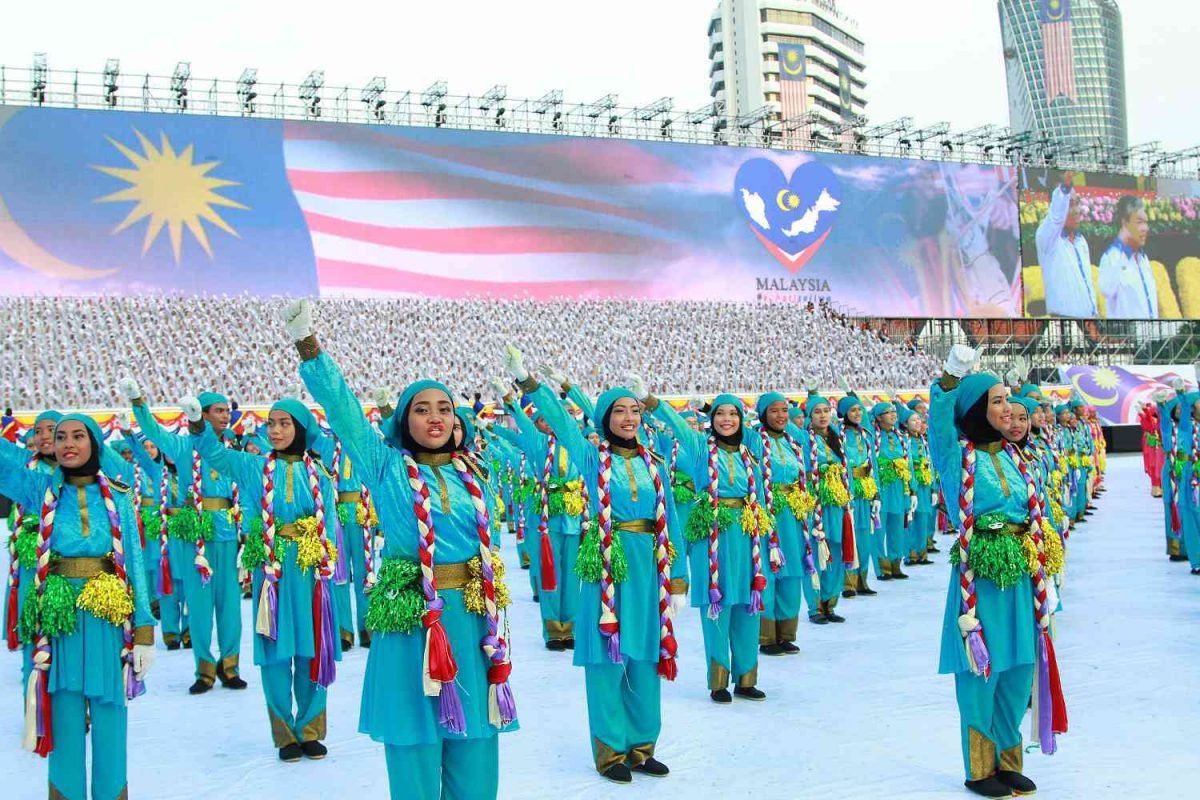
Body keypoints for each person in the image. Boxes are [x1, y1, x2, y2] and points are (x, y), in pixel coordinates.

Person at [286, 299, 517, 800]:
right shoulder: (386, 466)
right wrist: (310, 347)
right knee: (414, 739)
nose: (435, 417)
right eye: (422, 409)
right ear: (404, 420)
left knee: (477, 740)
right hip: (414, 620)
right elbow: (345, 412)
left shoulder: (473, 473)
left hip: (470, 619)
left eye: (444, 408)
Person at [504, 349, 687, 783]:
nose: (628, 418)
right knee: (608, 657)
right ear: (604, 418)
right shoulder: (593, 459)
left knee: (646, 655)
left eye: (634, 410)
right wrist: (528, 382)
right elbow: (563, 423)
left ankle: (642, 746)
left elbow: (671, 523)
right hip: (608, 564)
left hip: (648, 569)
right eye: (619, 411)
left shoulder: (654, 463)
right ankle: (610, 752)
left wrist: (678, 579)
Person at [931, 346, 1065, 799]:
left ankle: (1009, 763)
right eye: (998, 401)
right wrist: (950, 378)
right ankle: (979, 768)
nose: (1008, 409)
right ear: (975, 410)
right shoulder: (956, 457)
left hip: (1020, 574)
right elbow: (940, 424)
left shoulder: (1013, 455)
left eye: (1008, 399)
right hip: (982, 576)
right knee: (981, 669)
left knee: (1018, 667)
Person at [0, 414, 155, 800]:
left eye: (77, 436)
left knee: (109, 713)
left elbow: (134, 562)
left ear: (95, 443)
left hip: (106, 616)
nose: (67, 443)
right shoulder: (39, 489)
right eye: (61, 437)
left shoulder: (118, 495)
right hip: (61, 618)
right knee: (65, 712)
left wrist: (144, 631)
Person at [185, 395, 342, 760]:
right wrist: (197, 425)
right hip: (271, 573)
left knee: (312, 649)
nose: (275, 430)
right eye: (271, 423)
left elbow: (330, 525)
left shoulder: (319, 474)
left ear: (300, 429)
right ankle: (285, 734)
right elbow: (215, 455)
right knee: (274, 652)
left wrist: (327, 564)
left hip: (309, 572)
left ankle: (310, 729)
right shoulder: (253, 467)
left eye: (284, 423)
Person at [640, 379, 772, 702]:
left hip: (745, 533)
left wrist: (716, 405)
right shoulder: (700, 448)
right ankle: (718, 680)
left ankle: (746, 678)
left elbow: (762, 430)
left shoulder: (750, 450)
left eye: (733, 414)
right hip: (712, 533)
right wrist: (648, 398)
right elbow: (675, 423)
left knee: (748, 606)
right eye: (720, 414)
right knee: (718, 607)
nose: (727, 420)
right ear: (711, 420)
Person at [120, 381, 248, 694]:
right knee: (200, 606)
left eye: (226, 411)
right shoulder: (182, 446)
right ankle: (204, 670)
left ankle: (230, 666)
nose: (225, 416)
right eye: (218, 411)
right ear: (199, 413)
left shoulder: (232, 449)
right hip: (197, 536)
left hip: (227, 533)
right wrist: (138, 401)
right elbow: (152, 431)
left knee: (230, 607)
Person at [751, 392, 817, 654]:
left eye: (784, 410)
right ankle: (767, 636)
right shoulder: (755, 439)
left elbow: (811, 432)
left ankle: (786, 633)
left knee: (792, 573)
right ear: (763, 414)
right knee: (770, 571)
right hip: (769, 514)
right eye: (774, 410)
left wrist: (812, 397)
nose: (780, 416)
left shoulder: (793, 441)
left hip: (794, 514)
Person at [1035, 171, 1097, 318]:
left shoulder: (1081, 241)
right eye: (1069, 204)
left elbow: (1087, 285)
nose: (1077, 211)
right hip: (1062, 322)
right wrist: (1064, 189)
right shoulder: (1046, 237)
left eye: (1077, 203)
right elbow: (1057, 216)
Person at [1099, 195, 1157, 319]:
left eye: (1146, 223)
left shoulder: (1143, 258)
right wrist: (1124, 249)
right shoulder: (1111, 257)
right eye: (1139, 222)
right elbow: (1107, 290)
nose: (1145, 228)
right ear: (1125, 223)